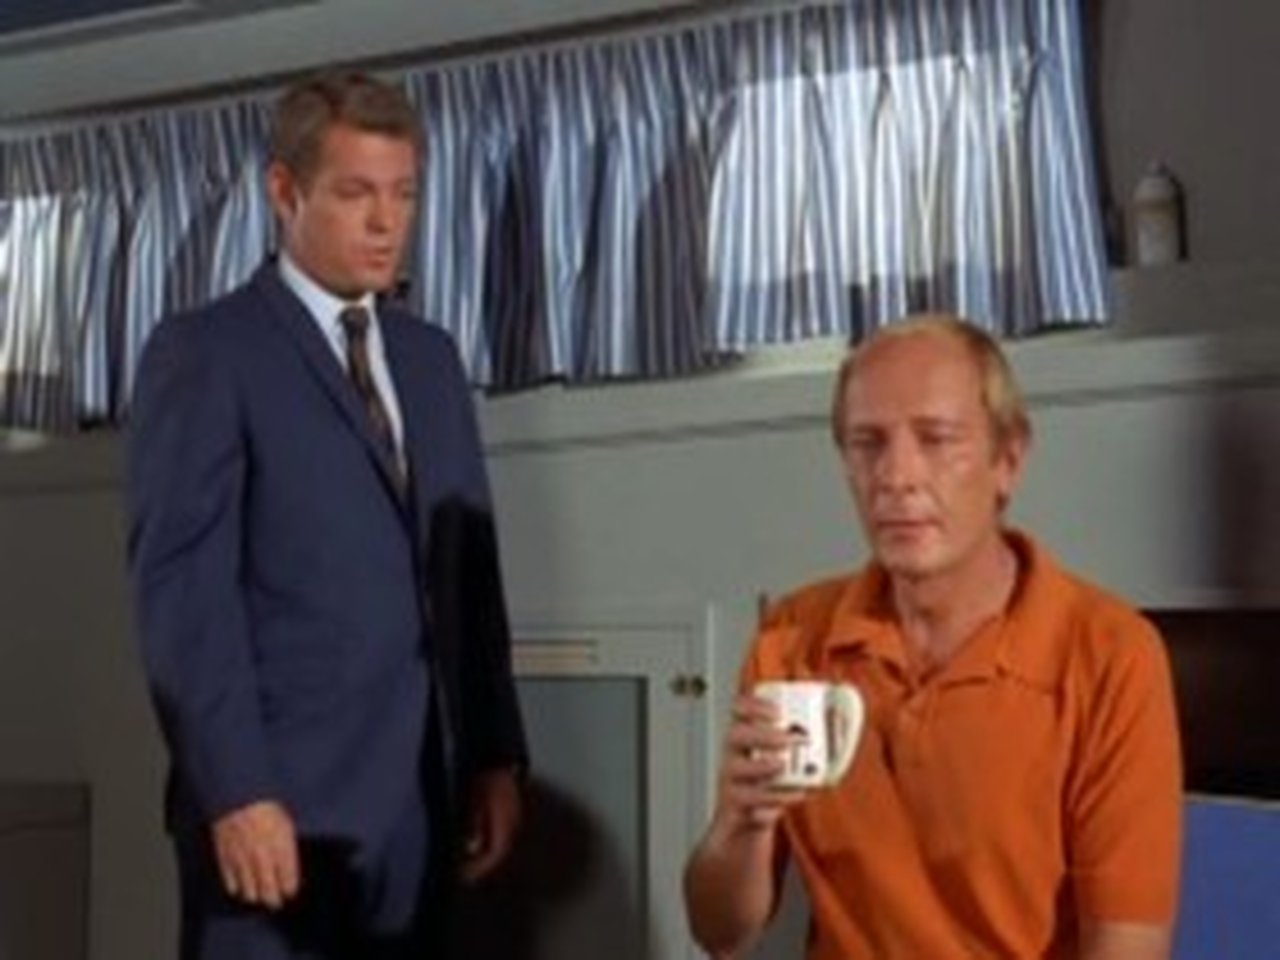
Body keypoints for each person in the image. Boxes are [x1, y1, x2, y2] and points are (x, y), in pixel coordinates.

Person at [126, 71, 527, 959]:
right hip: (274, 817)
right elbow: (184, 601)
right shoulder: (206, 353)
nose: (386, 222)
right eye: (355, 194)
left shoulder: (431, 362)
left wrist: (495, 755)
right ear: (284, 190)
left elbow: (470, 580)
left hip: (420, 812)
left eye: (404, 194)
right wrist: (236, 790)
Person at [684, 314, 1182, 959]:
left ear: (1008, 461)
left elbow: (1127, 945)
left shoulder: (1111, 654)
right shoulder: (791, 640)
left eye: (936, 439)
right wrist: (739, 825)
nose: (896, 476)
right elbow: (720, 933)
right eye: (867, 443)